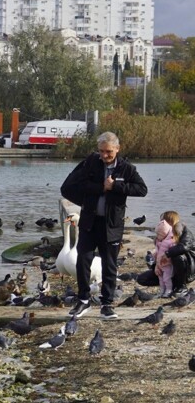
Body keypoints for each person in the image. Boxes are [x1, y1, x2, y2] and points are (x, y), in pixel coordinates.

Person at [60, 131, 147, 319]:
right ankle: (83, 300)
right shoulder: (91, 162)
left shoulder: (126, 168)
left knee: (110, 265)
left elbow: (142, 189)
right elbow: (69, 186)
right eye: (101, 151)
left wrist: (115, 186)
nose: (104, 156)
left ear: (117, 149)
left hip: (112, 225)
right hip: (89, 222)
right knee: (83, 260)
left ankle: (107, 304)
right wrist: (100, 188)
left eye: (108, 152)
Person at [137, 211, 195, 295]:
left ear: (169, 221)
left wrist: (167, 254)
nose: (161, 223)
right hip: (166, 267)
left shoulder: (184, 231)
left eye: (163, 220)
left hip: (187, 266)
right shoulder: (162, 234)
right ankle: (169, 284)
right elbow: (159, 253)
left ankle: (181, 286)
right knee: (142, 279)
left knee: (177, 256)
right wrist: (156, 266)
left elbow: (184, 246)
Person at [154, 218, 176, 297]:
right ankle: (162, 290)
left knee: (167, 278)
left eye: (159, 234)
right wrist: (156, 264)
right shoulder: (158, 241)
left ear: (165, 233)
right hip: (159, 263)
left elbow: (173, 253)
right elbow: (158, 251)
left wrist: (168, 258)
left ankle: (168, 290)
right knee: (160, 278)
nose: (157, 236)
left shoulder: (171, 241)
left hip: (167, 264)